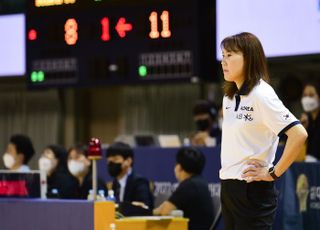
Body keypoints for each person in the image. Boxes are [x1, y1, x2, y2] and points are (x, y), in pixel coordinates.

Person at [219, 32, 308, 229]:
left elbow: (299, 134)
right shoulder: (228, 98)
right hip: (229, 187)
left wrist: (273, 173)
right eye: (223, 55)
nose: (224, 61)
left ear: (249, 58)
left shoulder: (261, 94)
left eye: (230, 55)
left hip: (253, 191)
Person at [153, 147, 214, 230]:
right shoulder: (198, 182)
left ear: (179, 167)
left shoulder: (189, 186)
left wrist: (140, 213)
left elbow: (163, 212)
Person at [106, 142, 154, 209]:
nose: (111, 163)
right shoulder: (115, 183)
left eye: (115, 159)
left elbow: (144, 206)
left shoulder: (139, 182)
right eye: (108, 160)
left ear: (128, 161)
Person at [300, 81, 320, 161]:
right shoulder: (306, 119)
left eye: (311, 95)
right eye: (305, 95)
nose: (307, 98)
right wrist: (303, 128)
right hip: (309, 164)